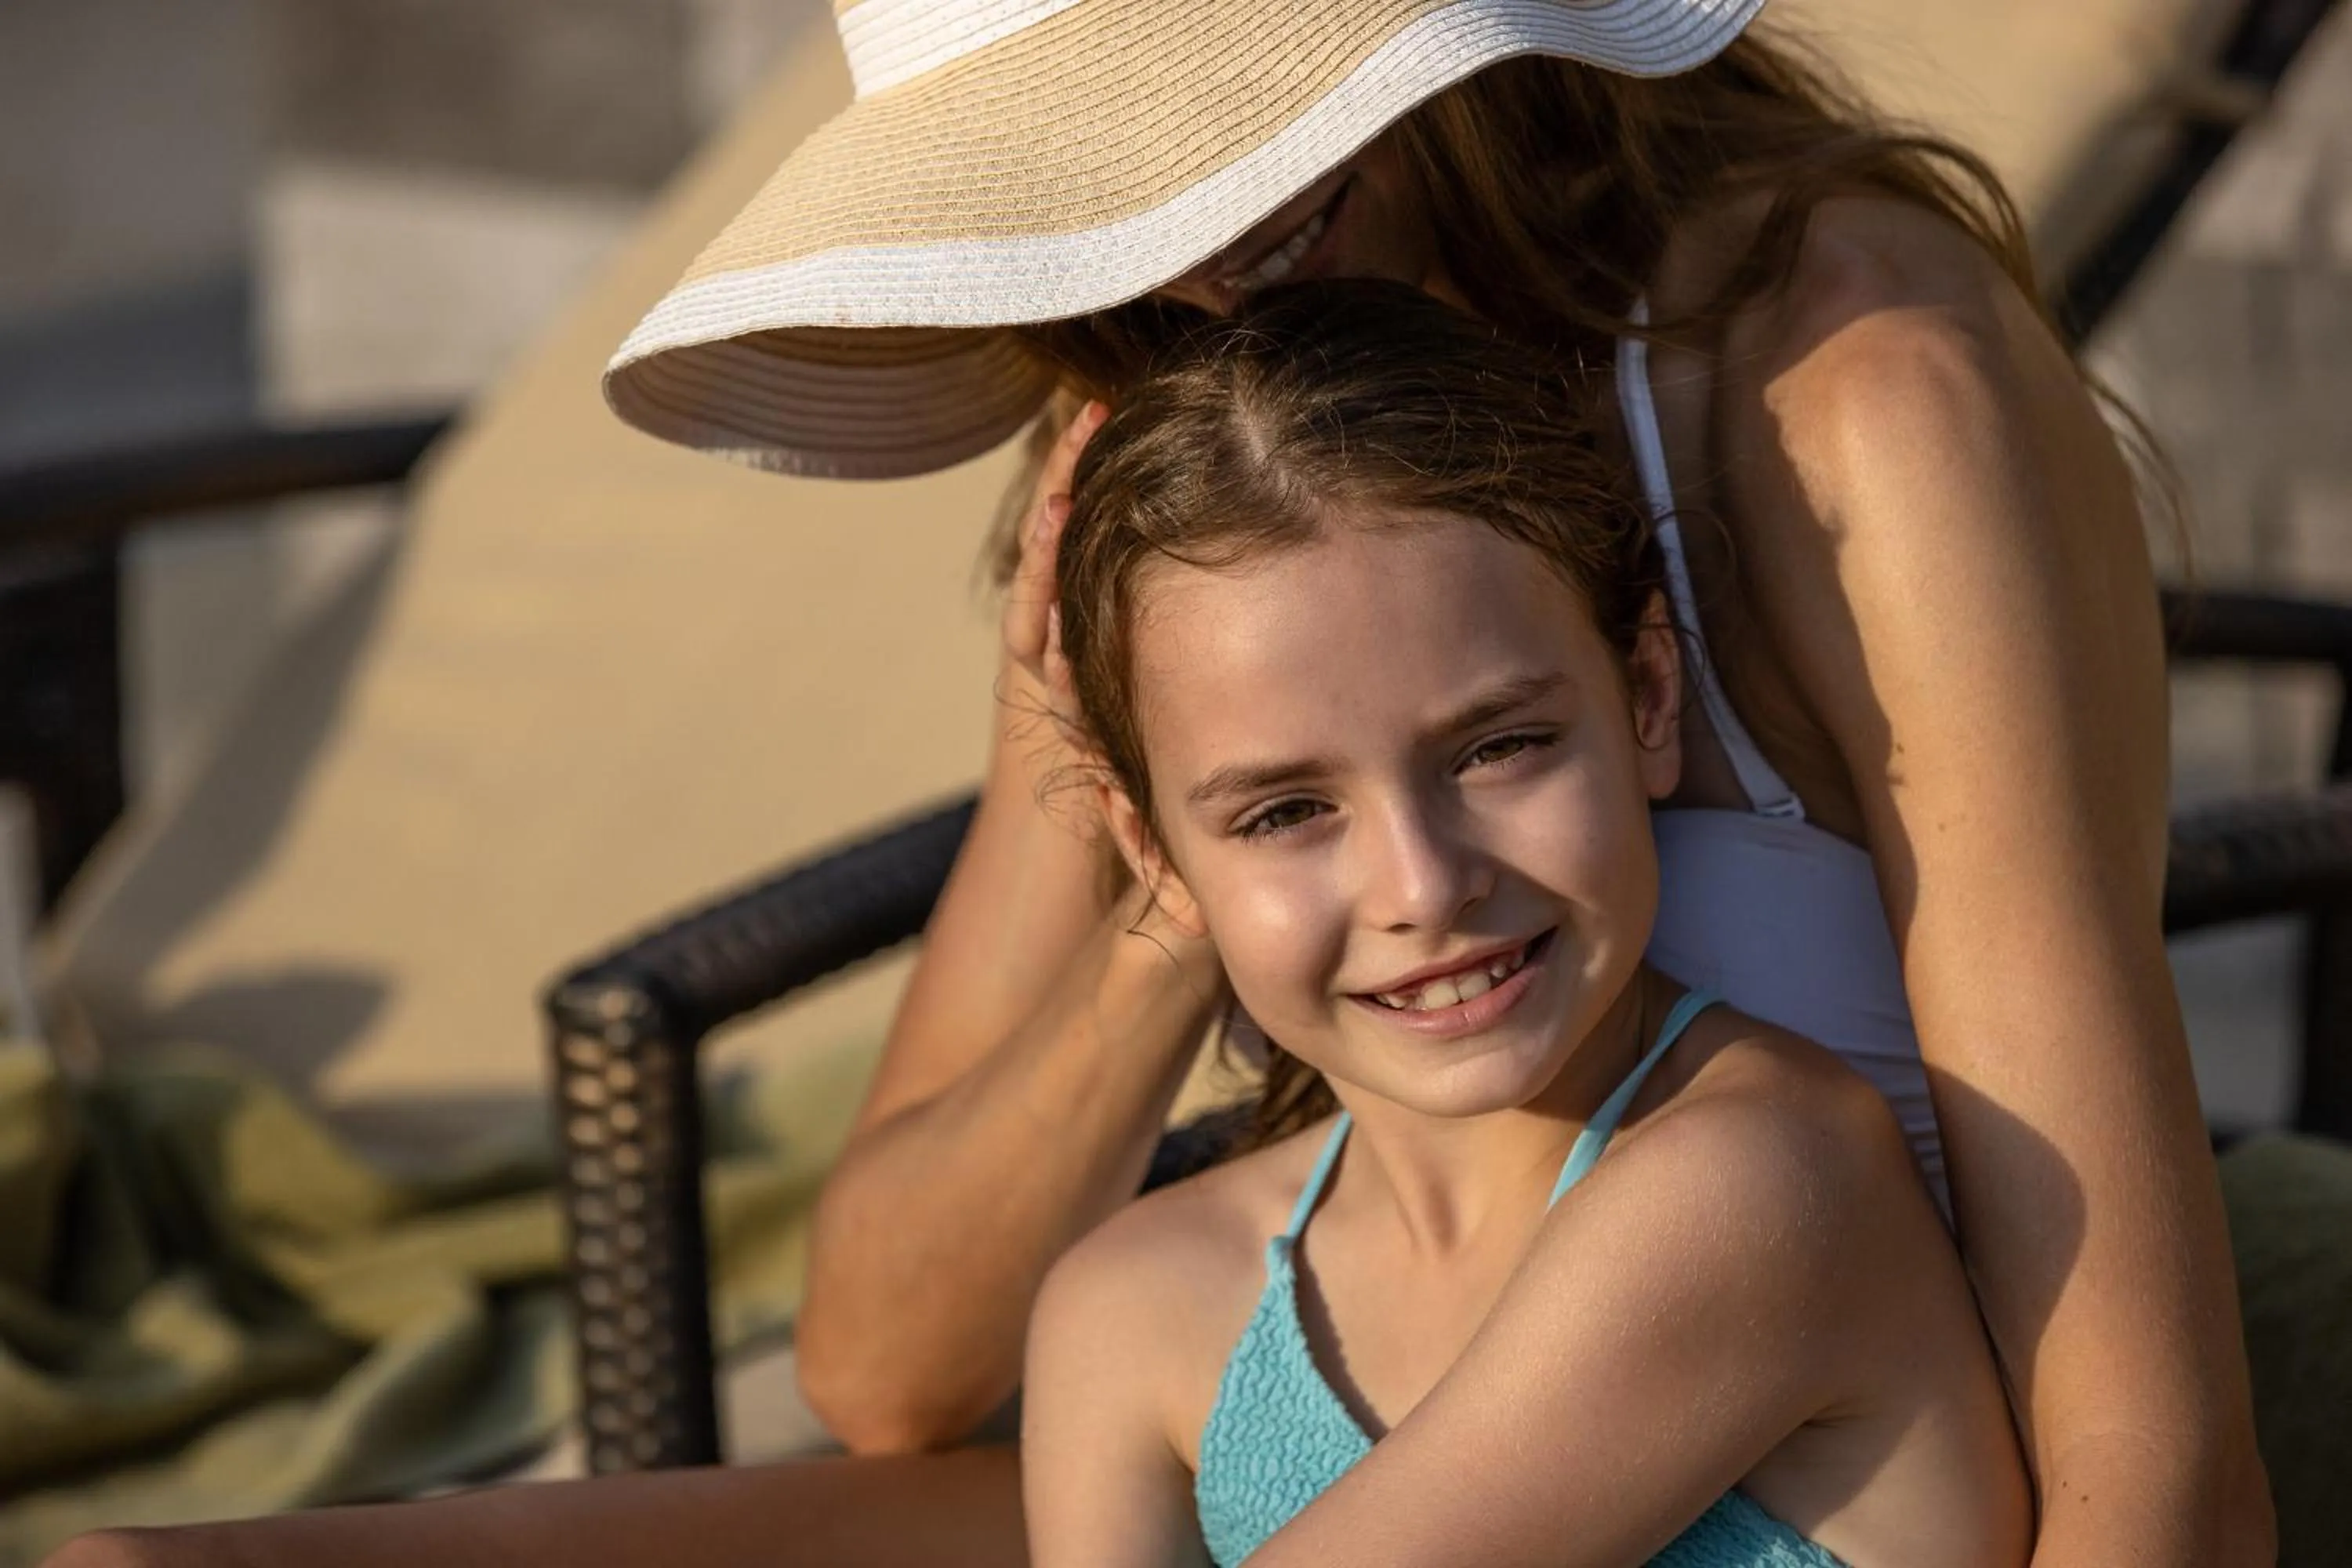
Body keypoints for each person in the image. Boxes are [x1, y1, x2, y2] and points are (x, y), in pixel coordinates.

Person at [45, 2, 2270, 1565]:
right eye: (1082, 188)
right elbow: (894, 1359)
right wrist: (1163, 858)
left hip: (1782, 1448)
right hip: (1341, 1440)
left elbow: (2150, 1452)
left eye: (1220, 121)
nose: (1178, 238)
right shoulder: (1181, 437)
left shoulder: (1837, 388)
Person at [1020, 279, 2031, 1568]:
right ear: (1151, 850)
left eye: (1499, 747)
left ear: (1649, 694)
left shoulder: (1764, 1186)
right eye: (1284, 813)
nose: (1425, 888)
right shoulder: (1134, 1309)